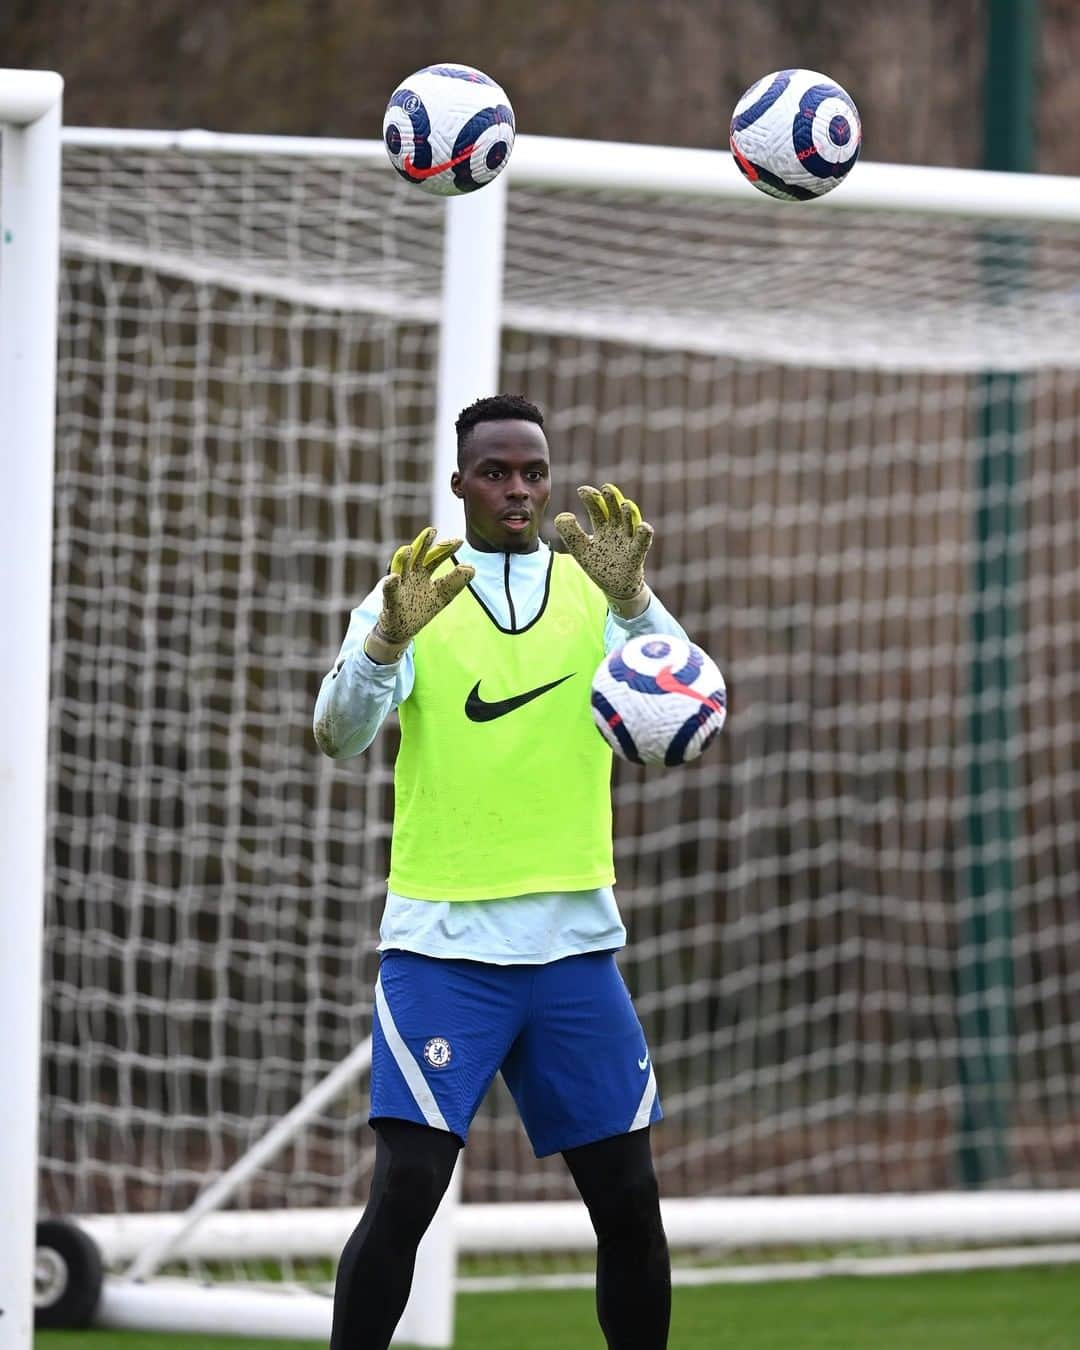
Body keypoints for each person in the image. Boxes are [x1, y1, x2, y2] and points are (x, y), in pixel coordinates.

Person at [313, 393, 689, 1350]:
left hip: (573, 948)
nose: (516, 490)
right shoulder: (415, 591)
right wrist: (384, 642)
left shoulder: (595, 592)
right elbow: (337, 736)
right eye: (495, 472)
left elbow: (690, 706)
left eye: (532, 472)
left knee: (632, 1205)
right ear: (459, 484)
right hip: (444, 949)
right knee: (405, 1194)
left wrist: (636, 602)